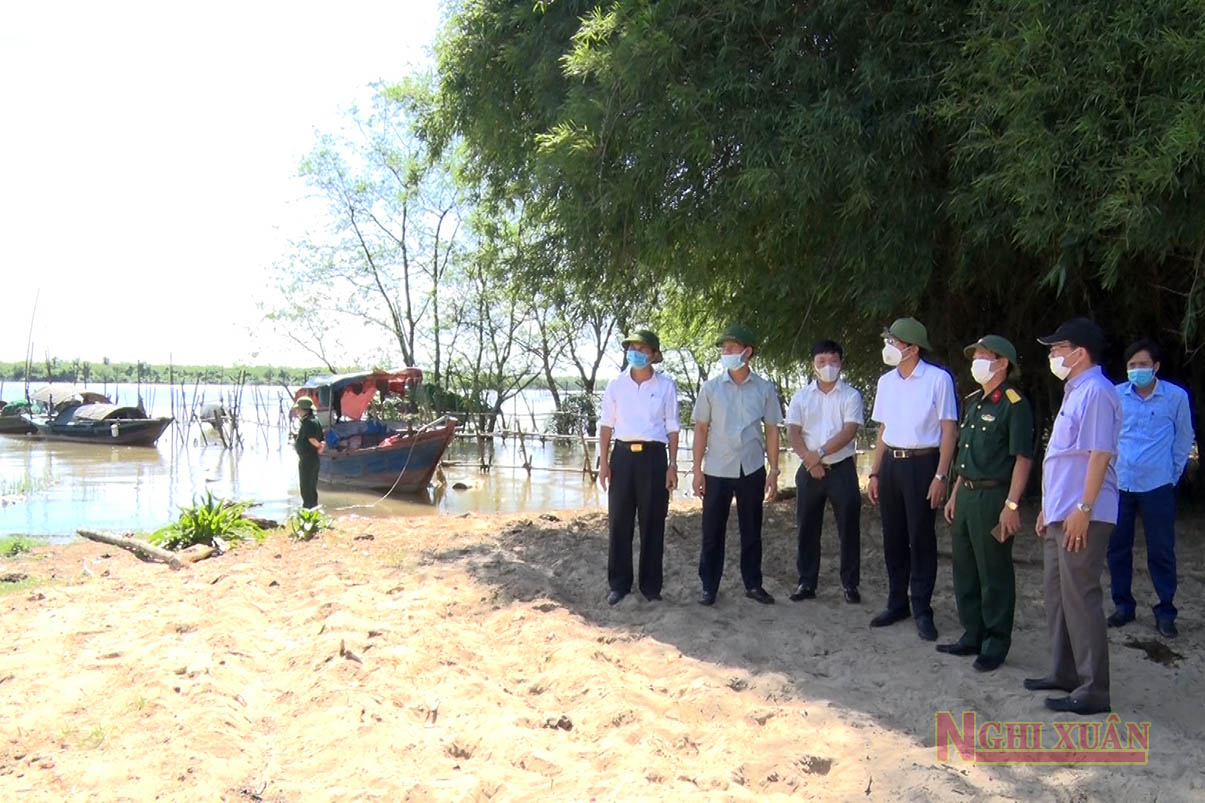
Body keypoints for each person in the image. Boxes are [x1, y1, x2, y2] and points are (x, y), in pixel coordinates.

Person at [1025, 317, 1120, 716]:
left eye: (1057, 348)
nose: (1052, 355)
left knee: (1081, 596)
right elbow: (1065, 458)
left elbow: (1099, 455)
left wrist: (1083, 508)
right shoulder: (1075, 390)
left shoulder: (1097, 391)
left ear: (1079, 352)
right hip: (1063, 511)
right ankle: (1064, 671)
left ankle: (1094, 688)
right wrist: (1050, 506)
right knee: (1058, 594)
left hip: (1085, 513)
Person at [939, 336, 1034, 672]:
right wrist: (953, 494)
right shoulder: (974, 401)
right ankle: (972, 633)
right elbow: (966, 456)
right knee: (965, 567)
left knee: (993, 570)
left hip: (995, 495)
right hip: (966, 494)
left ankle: (995, 643)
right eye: (975, 354)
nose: (976, 360)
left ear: (1002, 362)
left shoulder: (1014, 403)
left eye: (982, 354)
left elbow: (1023, 457)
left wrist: (1011, 504)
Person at [867, 317, 958, 641]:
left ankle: (922, 607)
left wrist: (941, 476)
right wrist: (875, 472)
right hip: (892, 462)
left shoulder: (938, 379)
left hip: (923, 463)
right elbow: (883, 430)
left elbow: (949, 429)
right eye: (888, 341)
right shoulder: (886, 382)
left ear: (913, 348)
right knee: (893, 536)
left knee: (920, 537)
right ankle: (897, 602)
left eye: (895, 342)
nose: (889, 347)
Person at [1107, 338, 1195, 638]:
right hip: (1120, 483)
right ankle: (1123, 605)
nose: (1137, 370)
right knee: (1117, 547)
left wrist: (1172, 474)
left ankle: (1165, 610)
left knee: (1161, 549)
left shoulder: (1175, 397)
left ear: (1156, 366)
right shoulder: (1116, 395)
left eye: (1143, 365)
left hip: (1158, 484)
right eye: (1132, 365)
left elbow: (1184, 438)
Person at [692, 324, 783, 606]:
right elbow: (701, 429)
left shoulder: (765, 389)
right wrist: (696, 470)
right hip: (717, 469)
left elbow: (771, 430)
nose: (725, 353)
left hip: (752, 468)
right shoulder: (711, 388)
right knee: (712, 532)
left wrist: (774, 471)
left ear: (748, 352)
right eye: (723, 349)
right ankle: (709, 587)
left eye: (731, 348)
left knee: (752, 531)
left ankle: (753, 584)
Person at [598, 329, 680, 605]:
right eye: (632, 347)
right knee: (620, 522)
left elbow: (672, 427)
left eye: (643, 349)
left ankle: (651, 587)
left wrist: (673, 465)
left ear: (654, 355)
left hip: (654, 458)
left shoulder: (666, 386)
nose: (636, 353)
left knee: (653, 523)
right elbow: (606, 425)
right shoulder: (615, 385)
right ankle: (619, 585)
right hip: (622, 457)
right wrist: (604, 463)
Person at [785, 339, 864, 604]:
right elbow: (793, 432)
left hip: (841, 469)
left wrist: (818, 455)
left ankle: (850, 584)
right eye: (821, 362)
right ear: (813, 365)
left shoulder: (851, 395)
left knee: (849, 527)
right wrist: (810, 461)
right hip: (808, 470)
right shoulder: (801, 396)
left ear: (840, 363)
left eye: (833, 361)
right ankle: (806, 582)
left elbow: (849, 431)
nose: (827, 366)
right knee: (806, 527)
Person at [294, 396, 325, 509]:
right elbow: (322, 439)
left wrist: (319, 446)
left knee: (306, 486)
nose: (297, 411)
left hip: (308, 459)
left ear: (303, 409)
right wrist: (321, 447)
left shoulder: (308, 422)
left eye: (298, 409)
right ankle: (312, 508)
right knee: (311, 485)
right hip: (312, 458)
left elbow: (312, 439)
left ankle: (308, 509)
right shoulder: (315, 421)